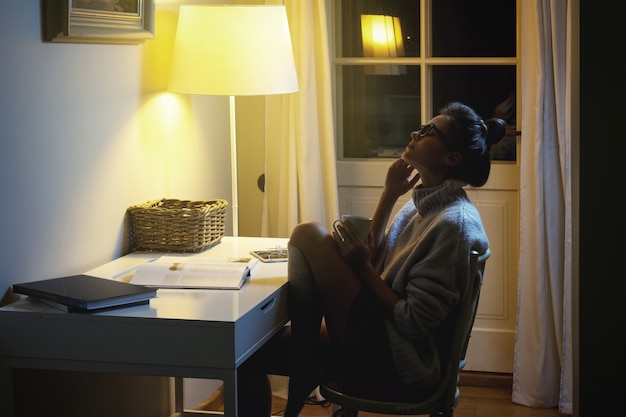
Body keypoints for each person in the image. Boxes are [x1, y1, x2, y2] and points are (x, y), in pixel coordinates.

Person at [237, 101, 507, 416]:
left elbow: (414, 321)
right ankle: (304, 360)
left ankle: (303, 364)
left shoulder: (453, 226)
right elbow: (378, 262)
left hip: (400, 365)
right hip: (381, 338)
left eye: (428, 131)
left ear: (451, 157)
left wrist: (362, 269)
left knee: (308, 235)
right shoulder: (421, 207)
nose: (415, 133)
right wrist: (389, 195)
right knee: (245, 350)